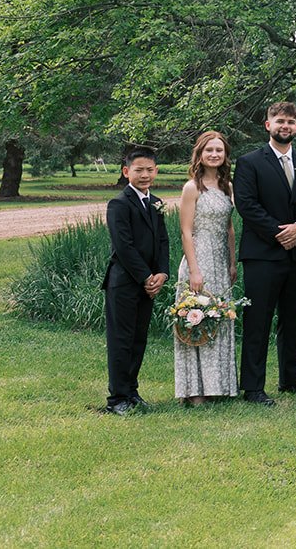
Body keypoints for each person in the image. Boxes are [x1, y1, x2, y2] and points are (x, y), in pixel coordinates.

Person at [234, 101, 296, 405]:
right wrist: (279, 232)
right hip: (262, 254)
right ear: (267, 124)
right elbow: (246, 205)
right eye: (279, 121)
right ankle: (253, 386)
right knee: (257, 319)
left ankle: (290, 378)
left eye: (291, 122)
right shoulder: (248, 162)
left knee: (294, 318)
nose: (285, 126)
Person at [102, 146, 170, 414]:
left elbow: (163, 242)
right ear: (126, 171)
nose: (144, 175)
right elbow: (124, 246)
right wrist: (145, 277)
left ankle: (132, 391)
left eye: (149, 170)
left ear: (156, 171)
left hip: (150, 283)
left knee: (139, 339)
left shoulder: (156, 203)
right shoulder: (118, 204)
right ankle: (117, 398)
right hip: (124, 282)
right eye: (139, 170)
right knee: (122, 340)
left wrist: (162, 274)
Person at [173, 131, 239, 405]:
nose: (214, 154)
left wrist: (233, 262)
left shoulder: (227, 186)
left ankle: (218, 386)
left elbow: (230, 227)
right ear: (200, 154)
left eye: (219, 151)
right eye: (209, 150)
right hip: (199, 257)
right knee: (195, 318)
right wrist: (194, 270)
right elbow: (186, 232)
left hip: (221, 260)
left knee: (218, 318)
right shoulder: (192, 188)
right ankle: (194, 391)